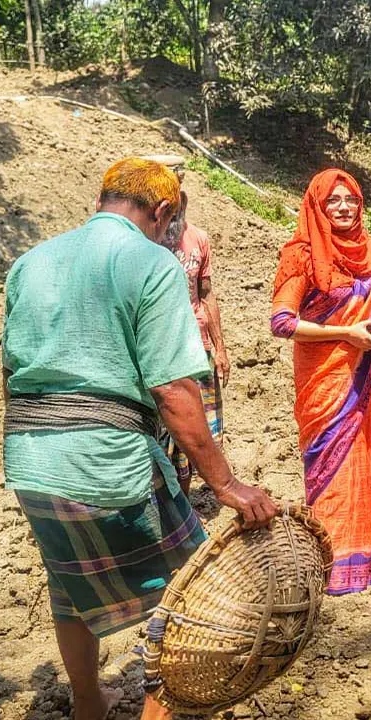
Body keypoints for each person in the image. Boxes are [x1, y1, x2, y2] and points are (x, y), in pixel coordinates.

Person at [2, 158, 278, 720]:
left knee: (69, 583)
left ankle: (87, 704)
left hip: (30, 461)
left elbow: (9, 370)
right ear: (163, 212)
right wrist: (225, 483)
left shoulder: (30, 262)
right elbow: (175, 387)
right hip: (107, 463)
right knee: (184, 589)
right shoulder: (151, 263)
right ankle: (159, 712)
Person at [270, 168, 371, 595]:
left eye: (350, 199)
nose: (342, 207)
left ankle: (366, 559)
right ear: (317, 205)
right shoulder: (301, 254)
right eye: (333, 200)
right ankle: (331, 563)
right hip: (325, 382)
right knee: (331, 466)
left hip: (365, 376)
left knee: (363, 464)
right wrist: (346, 333)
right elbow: (281, 322)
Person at [155, 177, 229, 494]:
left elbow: (206, 292)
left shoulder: (198, 239)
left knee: (196, 433)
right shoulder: (148, 244)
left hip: (198, 348)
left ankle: (183, 503)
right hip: (161, 351)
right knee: (166, 432)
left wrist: (221, 348)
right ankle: (170, 501)